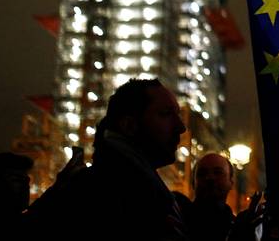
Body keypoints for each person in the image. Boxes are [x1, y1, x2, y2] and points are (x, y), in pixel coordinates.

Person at [29, 78, 188, 240]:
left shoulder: (140, 189)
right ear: (129, 126)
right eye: (166, 114)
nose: (181, 127)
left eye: (178, 114)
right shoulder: (98, 196)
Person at [176, 153, 235, 241]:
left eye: (218, 172)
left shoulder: (237, 227)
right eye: (202, 174)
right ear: (193, 183)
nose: (210, 178)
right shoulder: (176, 220)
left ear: (231, 183)